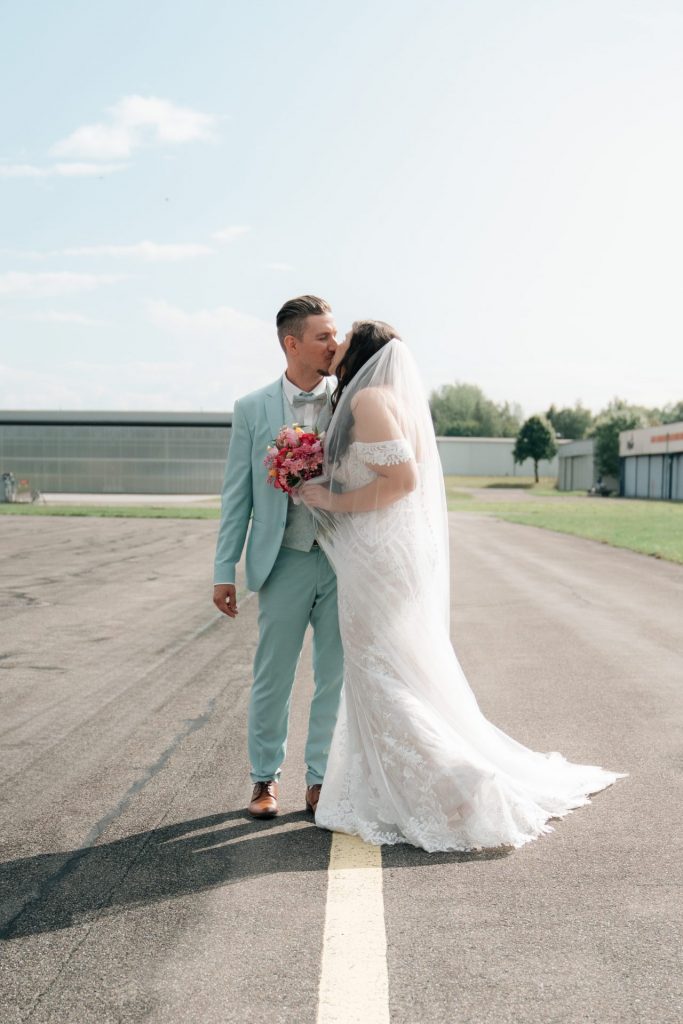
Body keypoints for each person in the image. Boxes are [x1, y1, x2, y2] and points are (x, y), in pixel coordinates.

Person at [301, 321, 627, 852]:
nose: (335, 346)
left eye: (344, 339)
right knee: (391, 666)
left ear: (365, 353)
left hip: (381, 558)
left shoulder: (368, 402)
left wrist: (332, 502)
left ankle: (462, 779)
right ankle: (400, 785)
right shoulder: (384, 400)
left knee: (377, 669)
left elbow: (402, 481)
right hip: (390, 552)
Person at [213, 295, 344, 819]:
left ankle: (321, 780)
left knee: (334, 675)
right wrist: (224, 570)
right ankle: (264, 781)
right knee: (274, 675)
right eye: (324, 337)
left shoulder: (352, 401)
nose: (335, 344)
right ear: (292, 344)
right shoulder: (251, 408)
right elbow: (236, 495)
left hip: (340, 558)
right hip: (281, 559)